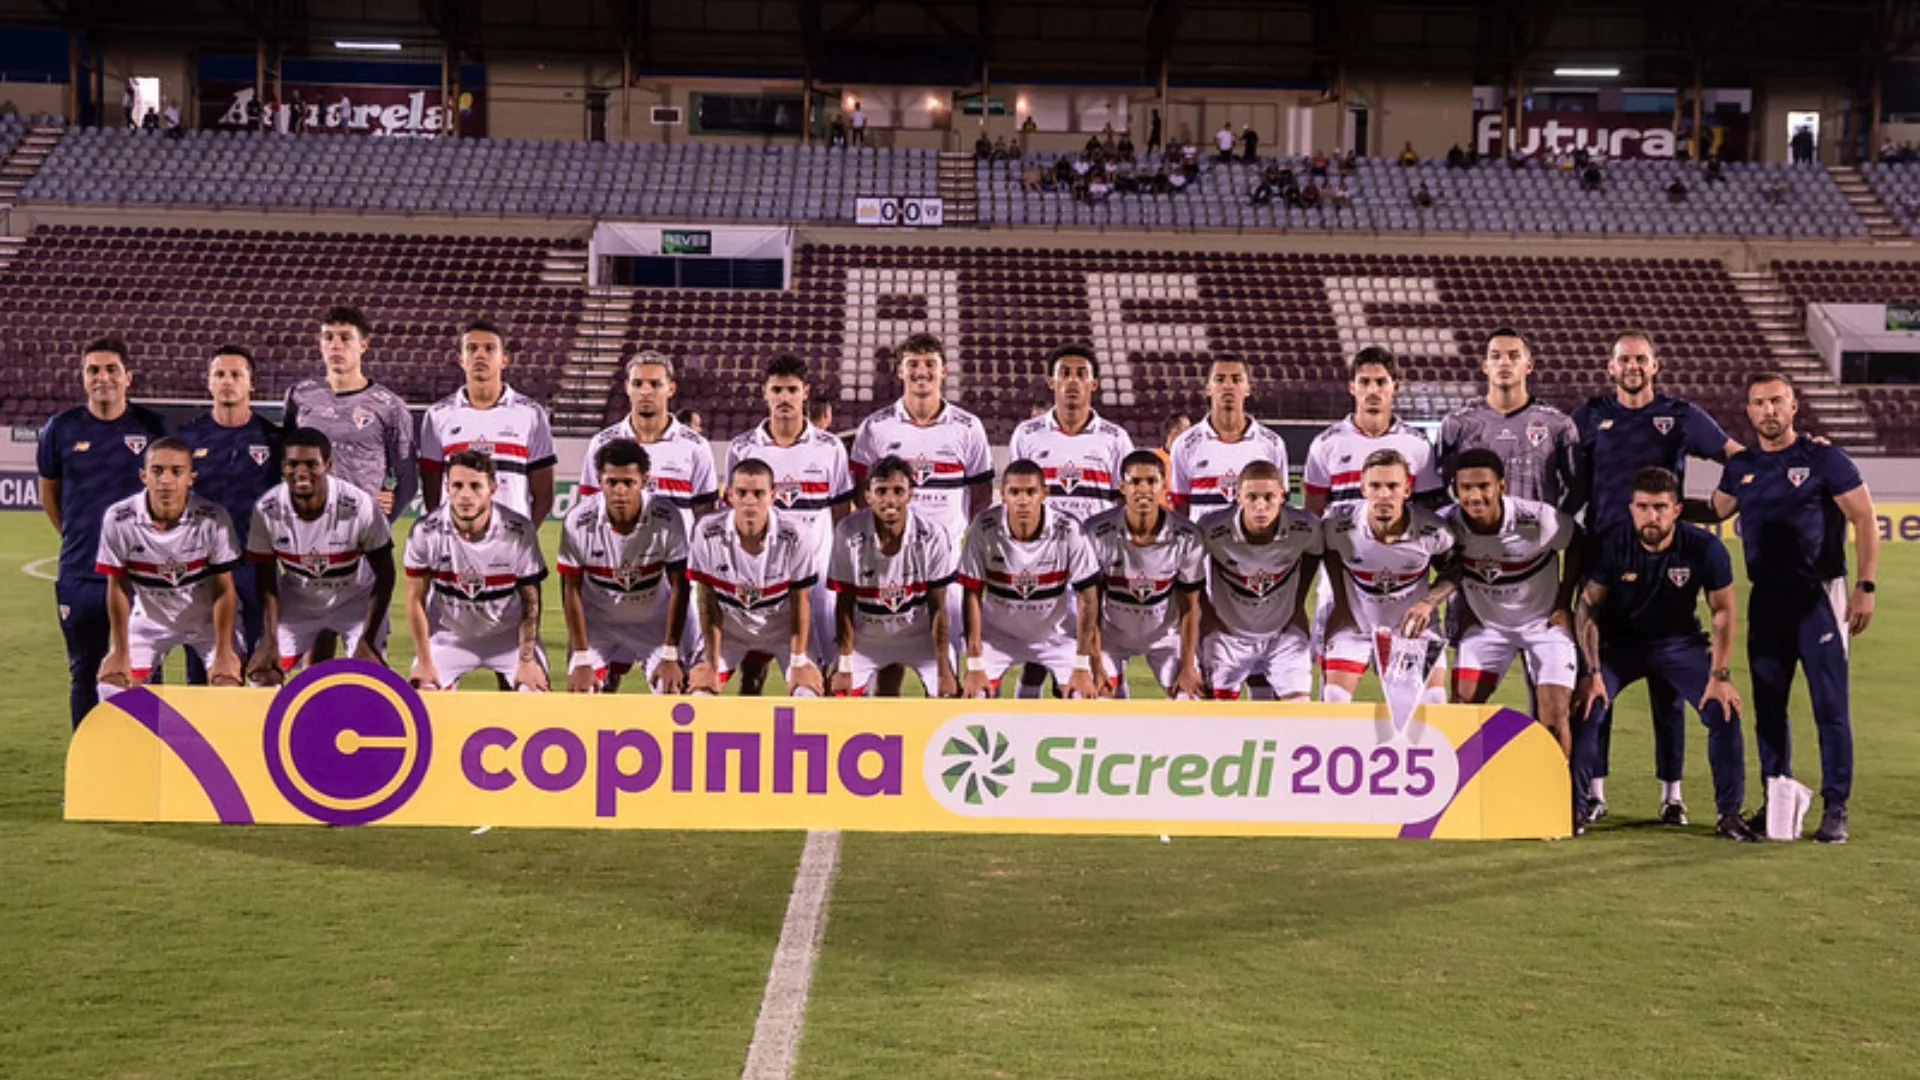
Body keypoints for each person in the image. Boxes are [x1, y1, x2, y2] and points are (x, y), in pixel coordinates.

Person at [1572, 329, 1741, 818]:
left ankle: (1673, 797)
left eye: (1640, 359)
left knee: (1668, 698)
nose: (1632, 366)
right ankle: (1594, 795)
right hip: (1608, 554)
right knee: (1595, 685)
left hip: (1669, 554)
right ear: (1610, 367)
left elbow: (1736, 457)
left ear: (1655, 364)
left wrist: (1706, 512)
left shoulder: (1680, 415)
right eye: (1624, 359)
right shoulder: (1592, 416)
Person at [1707, 373, 1878, 844]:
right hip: (1767, 603)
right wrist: (1656, 504)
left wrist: (1865, 585)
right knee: (1769, 710)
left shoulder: (1823, 458)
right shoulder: (1741, 467)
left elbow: (1864, 517)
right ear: (1748, 412)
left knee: (1829, 706)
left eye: (1776, 401)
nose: (1768, 411)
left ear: (1794, 406)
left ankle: (1835, 807)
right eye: (1759, 403)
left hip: (1819, 598)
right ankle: (1777, 802)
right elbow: (1715, 510)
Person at [1575, 466, 1753, 839]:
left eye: (1659, 507)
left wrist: (1719, 676)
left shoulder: (1704, 548)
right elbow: (1588, 608)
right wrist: (1591, 672)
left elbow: (1723, 611)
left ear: (1677, 509)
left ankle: (1730, 816)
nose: (1650, 516)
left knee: (1723, 711)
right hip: (1619, 647)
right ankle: (1577, 808)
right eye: (1642, 507)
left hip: (1680, 645)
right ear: (1631, 508)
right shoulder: (1613, 543)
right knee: (1588, 708)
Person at [37, 338, 169, 728]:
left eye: (111, 369)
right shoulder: (60, 429)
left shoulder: (152, 428)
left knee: (144, 675)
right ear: (83, 379)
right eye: (93, 370)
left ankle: (146, 773)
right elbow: (50, 494)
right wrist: (80, 537)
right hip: (81, 573)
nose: (102, 377)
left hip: (142, 576)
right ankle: (87, 778)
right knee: (85, 673)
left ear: (128, 377)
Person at [1440, 450, 1579, 755]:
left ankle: (1554, 798)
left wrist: (1564, 601)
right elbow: (1440, 566)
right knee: (1461, 710)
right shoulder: (1447, 524)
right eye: (1466, 488)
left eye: (1483, 487)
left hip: (1544, 626)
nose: (1475, 496)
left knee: (1554, 717)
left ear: (1501, 486)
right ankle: (1463, 791)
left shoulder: (1538, 519)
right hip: (1489, 628)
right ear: (1456, 489)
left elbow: (1579, 542)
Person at [726, 354, 854, 676]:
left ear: (805, 392)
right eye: (778, 390)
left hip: (818, 579)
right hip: (762, 576)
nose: (785, 398)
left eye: (792, 390)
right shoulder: (742, 448)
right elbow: (735, 513)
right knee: (753, 669)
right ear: (765, 393)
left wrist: (841, 562)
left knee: (823, 667)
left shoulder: (830, 447)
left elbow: (840, 508)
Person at [242, 427, 396, 683]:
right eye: (293, 464)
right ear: (282, 466)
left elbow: (386, 574)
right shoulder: (266, 509)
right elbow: (266, 581)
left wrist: (367, 639)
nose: (301, 472)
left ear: (328, 464)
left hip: (355, 601)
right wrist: (268, 640)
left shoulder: (360, 505)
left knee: (370, 680)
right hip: (298, 601)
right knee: (262, 675)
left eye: (311, 464)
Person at [94, 438, 245, 695]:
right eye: (157, 471)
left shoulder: (213, 518)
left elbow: (224, 589)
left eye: (176, 471)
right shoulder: (118, 518)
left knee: (227, 687)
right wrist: (119, 651)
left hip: (206, 621)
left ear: (191, 477)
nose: (165, 480)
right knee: (112, 686)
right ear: (143, 475)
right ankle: (142, 735)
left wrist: (223, 652)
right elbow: (117, 586)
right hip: (150, 620)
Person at [176, 345, 282, 681]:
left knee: (259, 664)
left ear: (252, 384)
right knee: (201, 668)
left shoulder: (273, 439)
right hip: (201, 569)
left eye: (236, 374)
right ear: (208, 383)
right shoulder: (187, 437)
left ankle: (255, 733)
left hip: (256, 567)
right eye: (219, 374)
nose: (227, 381)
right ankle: (199, 734)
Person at [402, 450, 548, 692]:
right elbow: (414, 599)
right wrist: (425, 662)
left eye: (475, 486)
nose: (465, 495)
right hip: (449, 637)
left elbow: (531, 601)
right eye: (457, 485)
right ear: (447, 487)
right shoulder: (425, 531)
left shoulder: (518, 531)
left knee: (534, 697)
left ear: (492, 488)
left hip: (508, 638)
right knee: (423, 697)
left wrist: (527, 661)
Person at [1319, 449, 1457, 703]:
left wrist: (1429, 602)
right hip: (1356, 627)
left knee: (1434, 702)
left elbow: (1454, 569)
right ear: (1363, 488)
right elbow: (1329, 553)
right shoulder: (1338, 526)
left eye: (1393, 486)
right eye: (1376, 486)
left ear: (1407, 489)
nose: (1384, 495)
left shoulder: (1433, 531)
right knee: (1334, 699)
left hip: (1412, 630)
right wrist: (1339, 601)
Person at [556, 438, 690, 695]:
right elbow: (570, 590)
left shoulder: (667, 517)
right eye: (612, 482)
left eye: (628, 483)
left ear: (644, 482)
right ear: (599, 481)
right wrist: (582, 656)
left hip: (653, 623)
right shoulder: (577, 521)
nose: (619, 491)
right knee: (581, 693)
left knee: (672, 689)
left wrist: (671, 652)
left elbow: (680, 586)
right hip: (598, 625)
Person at [958, 460, 1102, 699]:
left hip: (1054, 637)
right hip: (997, 637)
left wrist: (1082, 663)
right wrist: (973, 663)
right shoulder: (983, 527)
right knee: (975, 696)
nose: (1023, 500)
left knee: (1081, 697)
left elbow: (1088, 597)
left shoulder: (1069, 529)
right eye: (1014, 492)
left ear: (1044, 493)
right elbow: (971, 594)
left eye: (1031, 492)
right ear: (1002, 494)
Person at [685, 459, 825, 696]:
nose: (750, 501)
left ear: (772, 495)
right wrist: (710, 662)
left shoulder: (798, 534)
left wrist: (799, 660)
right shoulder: (706, 531)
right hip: (731, 631)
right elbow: (707, 602)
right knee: (699, 694)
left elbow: (801, 600)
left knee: (807, 695)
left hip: (783, 631)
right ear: (728, 495)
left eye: (758, 493)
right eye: (742, 492)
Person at [827, 456, 959, 698]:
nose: (890, 500)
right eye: (881, 491)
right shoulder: (847, 533)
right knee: (837, 694)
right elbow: (843, 605)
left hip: (920, 638)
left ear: (910, 495)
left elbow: (938, 607)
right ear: (868, 497)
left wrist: (943, 671)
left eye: (898, 491)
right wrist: (844, 667)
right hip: (867, 640)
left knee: (948, 695)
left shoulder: (933, 534)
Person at [849, 333, 993, 549]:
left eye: (930, 364)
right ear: (900, 371)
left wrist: (968, 540)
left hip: (949, 556)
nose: (921, 372)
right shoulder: (874, 427)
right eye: (913, 364)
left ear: (944, 371)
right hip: (891, 554)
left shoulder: (969, 427)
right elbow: (861, 494)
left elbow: (982, 495)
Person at [1084, 451, 1207, 699]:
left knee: (1192, 699)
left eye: (1151, 481)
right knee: (1094, 699)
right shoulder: (1095, 532)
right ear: (1121, 486)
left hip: (1165, 637)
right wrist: (1095, 662)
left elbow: (1190, 606)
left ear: (1163, 485)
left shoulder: (1188, 536)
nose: (1143, 489)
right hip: (1112, 636)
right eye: (1135, 482)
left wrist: (1187, 665)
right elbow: (1090, 604)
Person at [1197, 460, 1322, 701]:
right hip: (1227, 635)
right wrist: (1207, 613)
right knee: (1216, 718)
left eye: (1269, 497)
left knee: (1299, 712)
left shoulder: (1306, 527)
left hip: (1283, 634)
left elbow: (1313, 556)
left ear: (1283, 496)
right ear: (1237, 496)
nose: (1260, 506)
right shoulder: (1211, 528)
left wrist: (1297, 604)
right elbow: (1188, 570)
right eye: (1252, 497)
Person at [281, 305, 417, 523]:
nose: (336, 345)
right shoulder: (300, 396)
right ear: (320, 343)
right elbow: (285, 457)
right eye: (328, 337)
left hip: (361, 528)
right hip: (308, 526)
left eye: (345, 338)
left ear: (363, 344)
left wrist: (382, 524)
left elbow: (407, 477)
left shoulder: (390, 406)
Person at [419, 320, 557, 524]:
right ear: (461, 359)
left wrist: (523, 536)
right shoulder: (437, 415)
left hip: (510, 544)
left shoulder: (531, 414)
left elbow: (544, 495)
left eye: (489, 348)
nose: (480, 355)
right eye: (472, 348)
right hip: (456, 543)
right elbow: (432, 492)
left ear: (504, 360)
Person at [1438, 328, 1580, 510]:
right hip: (1475, 536)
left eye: (1514, 356)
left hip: (1535, 535)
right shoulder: (1457, 423)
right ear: (1485, 366)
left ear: (1529, 365)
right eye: (1495, 356)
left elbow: (1577, 488)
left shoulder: (1558, 424)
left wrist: (1556, 527)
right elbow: (1441, 488)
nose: (1504, 363)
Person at [579, 351, 718, 537]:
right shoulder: (602, 443)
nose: (645, 391)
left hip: (676, 561)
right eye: (638, 384)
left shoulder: (696, 447)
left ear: (671, 388)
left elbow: (706, 512)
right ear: (628, 387)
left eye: (655, 384)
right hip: (618, 559)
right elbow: (589, 507)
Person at [1304, 347, 1443, 514]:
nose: (1372, 390)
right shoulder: (1325, 444)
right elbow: (1313, 514)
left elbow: (1428, 513)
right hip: (1341, 540)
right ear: (1352, 387)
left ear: (1395, 387)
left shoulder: (1419, 445)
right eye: (1364, 382)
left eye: (1381, 382)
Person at [1009, 344, 1134, 524]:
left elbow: (1125, 500)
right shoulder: (1026, 435)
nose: (1073, 381)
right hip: (1043, 546)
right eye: (1065, 373)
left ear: (1094, 384)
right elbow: (1017, 495)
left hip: (1095, 547)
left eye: (1081, 374)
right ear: (1051, 381)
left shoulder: (1116, 438)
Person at [1168, 354, 1288, 516]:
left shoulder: (1272, 444)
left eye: (1236, 379)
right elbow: (1181, 507)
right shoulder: (1184, 444)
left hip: (1254, 542)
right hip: (1204, 541)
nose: (1228, 386)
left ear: (1248, 388)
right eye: (1220, 379)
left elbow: (1280, 502)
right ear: (1208, 388)